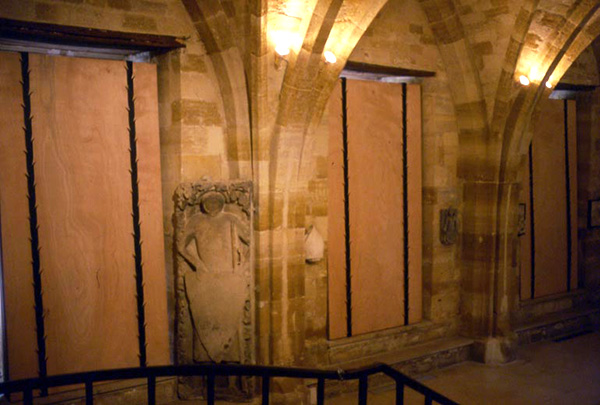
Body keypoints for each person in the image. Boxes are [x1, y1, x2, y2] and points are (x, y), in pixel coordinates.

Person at [178, 191, 250, 363]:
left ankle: (232, 367)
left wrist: (243, 264)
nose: (212, 205)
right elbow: (181, 246)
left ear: (221, 203)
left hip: (228, 278)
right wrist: (197, 263)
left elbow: (249, 240)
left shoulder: (231, 219)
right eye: (209, 202)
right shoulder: (196, 221)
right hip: (206, 279)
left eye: (216, 202)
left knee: (230, 319)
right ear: (203, 204)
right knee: (203, 318)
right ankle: (202, 365)